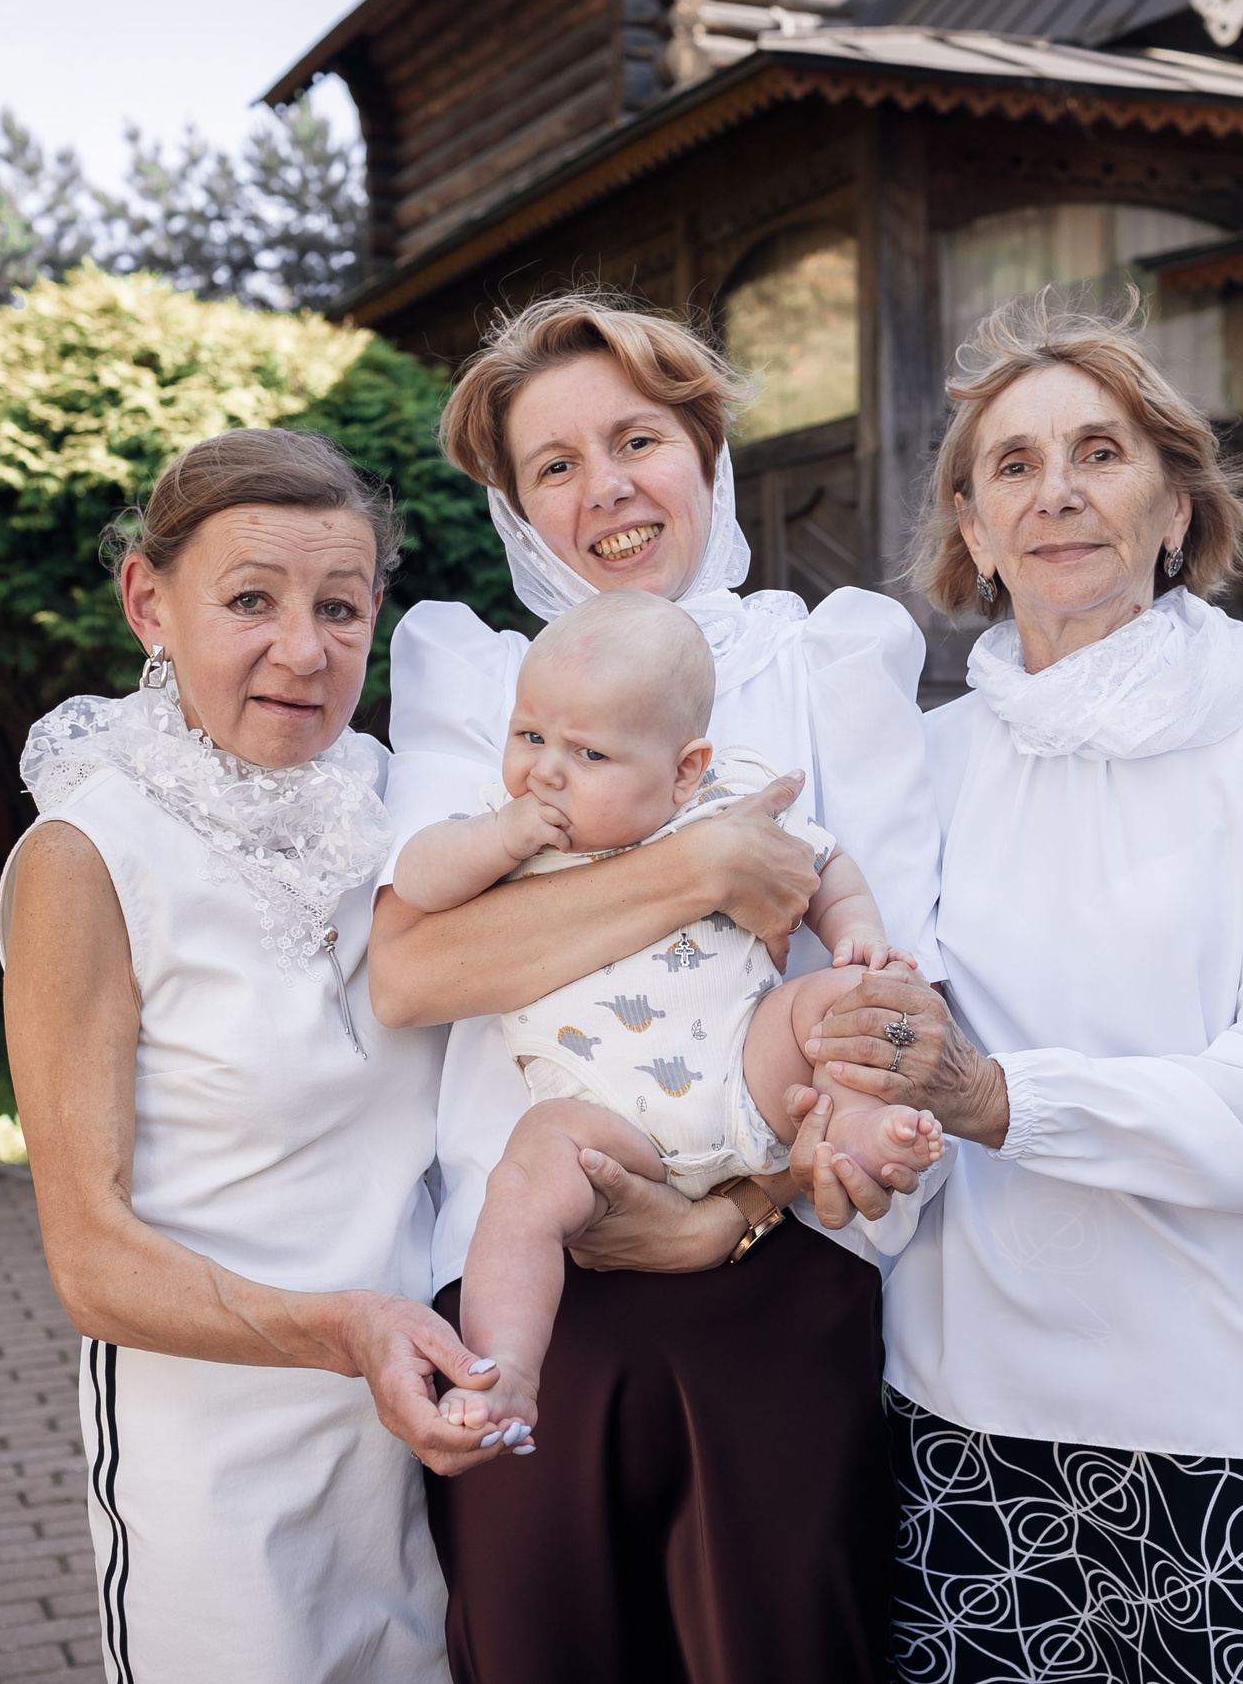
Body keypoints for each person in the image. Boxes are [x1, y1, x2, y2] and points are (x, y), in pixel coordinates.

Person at [801, 299, 1243, 1683]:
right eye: (1012, 465)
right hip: (972, 1410)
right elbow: (875, 1034)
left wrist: (1004, 1094)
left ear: (1176, 506)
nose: (1058, 490)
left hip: (1228, 1408)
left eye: (1101, 449)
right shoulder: (930, 764)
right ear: (971, 530)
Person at [372, 292, 939, 1684]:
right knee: (544, 1645)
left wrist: (728, 1216)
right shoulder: (482, 681)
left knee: (776, 1643)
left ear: (708, 453)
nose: (607, 489)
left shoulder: (828, 660)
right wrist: (703, 871)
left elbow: (896, 979)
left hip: (782, 1257)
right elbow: (415, 968)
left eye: (640, 438)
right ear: (514, 507)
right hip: (527, 1278)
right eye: (553, 464)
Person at [0, 428, 501, 1684]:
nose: (304, 649)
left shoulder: (402, 805)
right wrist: (346, 1330)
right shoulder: (89, 851)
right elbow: (91, 1259)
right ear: (147, 602)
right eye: (250, 601)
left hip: (424, 1443)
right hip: (216, 1463)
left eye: (341, 606)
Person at [392, 589, 940, 1440]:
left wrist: (859, 937)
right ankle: (502, 1374)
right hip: (604, 1123)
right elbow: (420, 882)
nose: (546, 770)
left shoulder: (729, 799)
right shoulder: (506, 830)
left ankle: (855, 1133)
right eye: (530, 736)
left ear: (684, 768)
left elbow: (826, 867)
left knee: (840, 1005)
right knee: (528, 1175)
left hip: (746, 1071)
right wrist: (499, 839)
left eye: (588, 752)